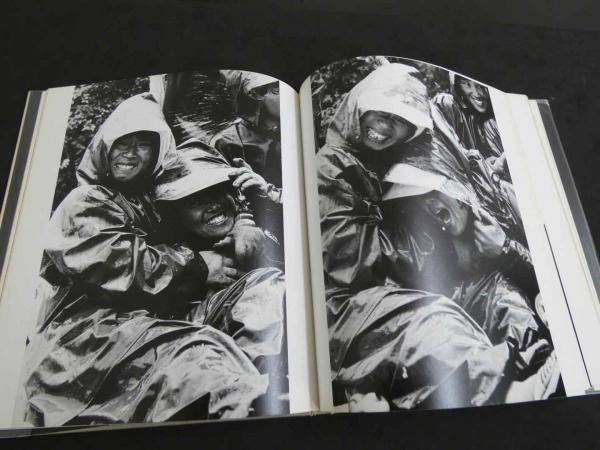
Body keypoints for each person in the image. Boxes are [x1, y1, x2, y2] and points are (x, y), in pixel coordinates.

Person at [317, 62, 559, 411]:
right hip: (350, 308)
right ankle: (506, 392)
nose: (384, 128)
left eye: (399, 120)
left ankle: (540, 370)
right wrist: (440, 242)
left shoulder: (385, 159)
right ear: (359, 106)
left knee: (497, 294)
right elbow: (351, 263)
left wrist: (493, 245)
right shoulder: (331, 167)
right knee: (436, 320)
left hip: (406, 287)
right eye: (380, 113)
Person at [23, 94, 269, 427]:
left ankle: (268, 389)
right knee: (201, 360)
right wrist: (199, 265)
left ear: (158, 152)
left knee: (266, 290)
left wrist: (244, 220)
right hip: (90, 339)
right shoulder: (84, 201)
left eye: (143, 144)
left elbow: (209, 225)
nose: (130, 153)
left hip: (158, 322)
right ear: (104, 147)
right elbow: (118, 265)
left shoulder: (157, 203)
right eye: (121, 143)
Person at [153, 141, 288, 414]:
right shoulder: (173, 254)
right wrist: (200, 271)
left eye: (217, 193)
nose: (213, 205)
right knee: (268, 285)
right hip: (210, 355)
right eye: (195, 201)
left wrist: (270, 201)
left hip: (272, 341)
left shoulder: (257, 223)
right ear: (176, 215)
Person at [383, 142, 542, 348]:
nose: (427, 204)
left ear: (455, 180)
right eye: (417, 198)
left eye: (432, 191)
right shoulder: (427, 243)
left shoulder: (507, 201)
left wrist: (506, 250)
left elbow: (559, 281)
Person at [209, 70, 283, 188]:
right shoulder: (226, 142)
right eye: (277, 90)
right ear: (256, 94)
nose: (287, 97)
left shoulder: (289, 134)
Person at [433, 74, 508, 178]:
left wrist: (491, 162)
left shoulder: (483, 121)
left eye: (481, 85)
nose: (478, 93)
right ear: (457, 86)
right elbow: (447, 152)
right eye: (467, 84)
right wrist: (487, 166)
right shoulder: (446, 103)